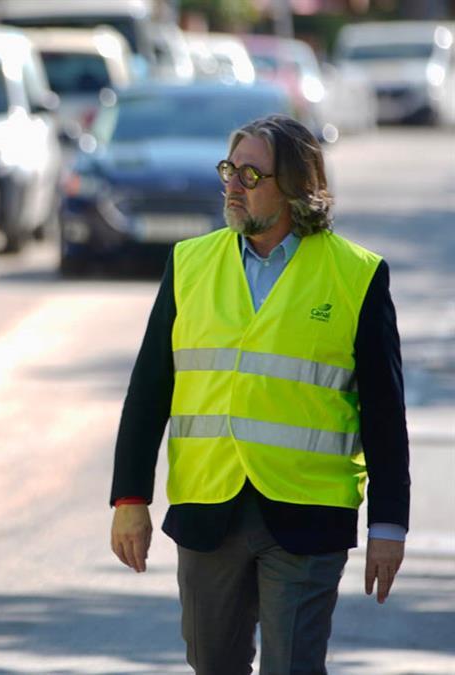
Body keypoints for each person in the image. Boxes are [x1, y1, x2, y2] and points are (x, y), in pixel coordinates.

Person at [110, 114, 410, 673]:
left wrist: (388, 526)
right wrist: (130, 499)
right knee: (211, 664)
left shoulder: (358, 276)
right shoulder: (187, 264)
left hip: (309, 513)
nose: (232, 186)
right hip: (206, 509)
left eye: (250, 175)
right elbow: (148, 390)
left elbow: (385, 414)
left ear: (296, 187)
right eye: (229, 170)